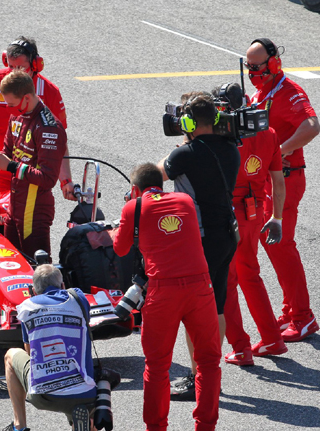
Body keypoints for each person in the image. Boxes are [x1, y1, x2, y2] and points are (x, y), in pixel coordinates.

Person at [112, 163, 221, 431]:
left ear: (134, 190)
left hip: (163, 292)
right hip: (200, 286)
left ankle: (156, 427)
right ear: (161, 184)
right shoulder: (184, 200)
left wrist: (127, 216)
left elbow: (120, 248)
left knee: (157, 366)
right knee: (208, 362)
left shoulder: (133, 207)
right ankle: (206, 427)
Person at [156, 92, 239, 400]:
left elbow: (158, 173)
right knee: (216, 305)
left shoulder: (185, 154)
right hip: (227, 235)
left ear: (189, 124)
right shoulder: (231, 149)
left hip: (199, 239)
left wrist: (180, 147)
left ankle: (198, 377)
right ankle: (210, 372)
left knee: (193, 310)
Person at [246, 38, 319, 342]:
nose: (252, 72)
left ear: (274, 62)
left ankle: (303, 317)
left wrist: (279, 151)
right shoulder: (263, 91)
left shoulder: (289, 91)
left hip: (286, 181)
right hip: (270, 180)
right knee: (273, 244)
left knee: (281, 245)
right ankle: (291, 310)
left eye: (257, 67)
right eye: (248, 66)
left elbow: (312, 126)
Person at [211, 83, 288, 366]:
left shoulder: (220, 136)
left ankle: (241, 348)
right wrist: (277, 218)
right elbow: (278, 182)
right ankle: (272, 338)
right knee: (251, 276)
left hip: (227, 217)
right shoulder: (269, 133)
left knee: (226, 282)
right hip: (255, 215)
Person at [0, 37, 75, 200]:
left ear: (36, 65)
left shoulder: (50, 92)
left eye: (20, 68)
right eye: (11, 67)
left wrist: (66, 181)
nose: (14, 73)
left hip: (29, 179)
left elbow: (57, 143)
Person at [3, 264, 97, 431]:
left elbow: (30, 353)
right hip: (85, 392)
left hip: (44, 396)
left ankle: (19, 425)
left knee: (11, 355)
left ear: (33, 291)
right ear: (63, 285)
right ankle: (85, 421)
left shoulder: (26, 307)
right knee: (81, 388)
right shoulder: (78, 299)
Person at [0, 70, 66, 255]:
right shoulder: (17, 115)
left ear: (26, 98)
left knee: (36, 267)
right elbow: (8, 154)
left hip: (34, 211)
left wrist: (11, 167)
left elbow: (48, 178)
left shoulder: (49, 128)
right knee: (9, 262)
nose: (8, 109)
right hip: (14, 206)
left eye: (12, 104)